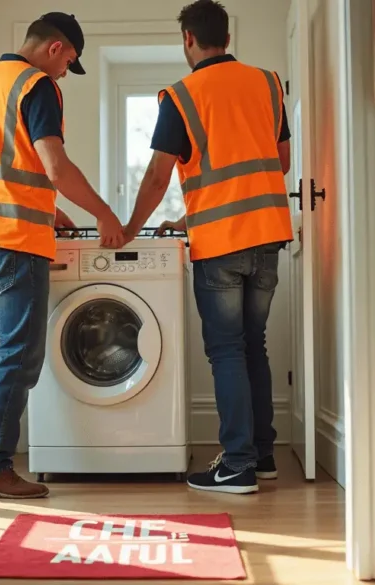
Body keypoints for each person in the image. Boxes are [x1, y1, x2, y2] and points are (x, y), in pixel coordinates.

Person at [120, 0, 293, 494]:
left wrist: (131, 227)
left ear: (188, 41)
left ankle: (236, 465)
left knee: (225, 351)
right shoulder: (267, 83)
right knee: (251, 347)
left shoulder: (181, 96)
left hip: (220, 243)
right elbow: (280, 162)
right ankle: (261, 456)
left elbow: (157, 175)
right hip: (267, 236)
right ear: (227, 38)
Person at [0, 12, 126, 499]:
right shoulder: (37, 86)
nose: (66, 70)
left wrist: (49, 211)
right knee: (21, 356)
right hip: (13, 240)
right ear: (55, 48)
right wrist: (104, 213)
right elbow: (54, 165)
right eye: (69, 61)